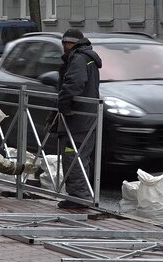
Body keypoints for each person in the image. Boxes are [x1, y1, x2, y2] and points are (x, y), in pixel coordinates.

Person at [54, 29, 102, 209]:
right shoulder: (87, 58)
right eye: (64, 42)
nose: (65, 46)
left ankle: (79, 197)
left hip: (78, 118)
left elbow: (74, 83)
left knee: (72, 155)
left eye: (68, 43)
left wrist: (63, 105)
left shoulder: (79, 58)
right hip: (85, 117)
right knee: (80, 156)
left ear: (74, 43)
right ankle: (79, 195)